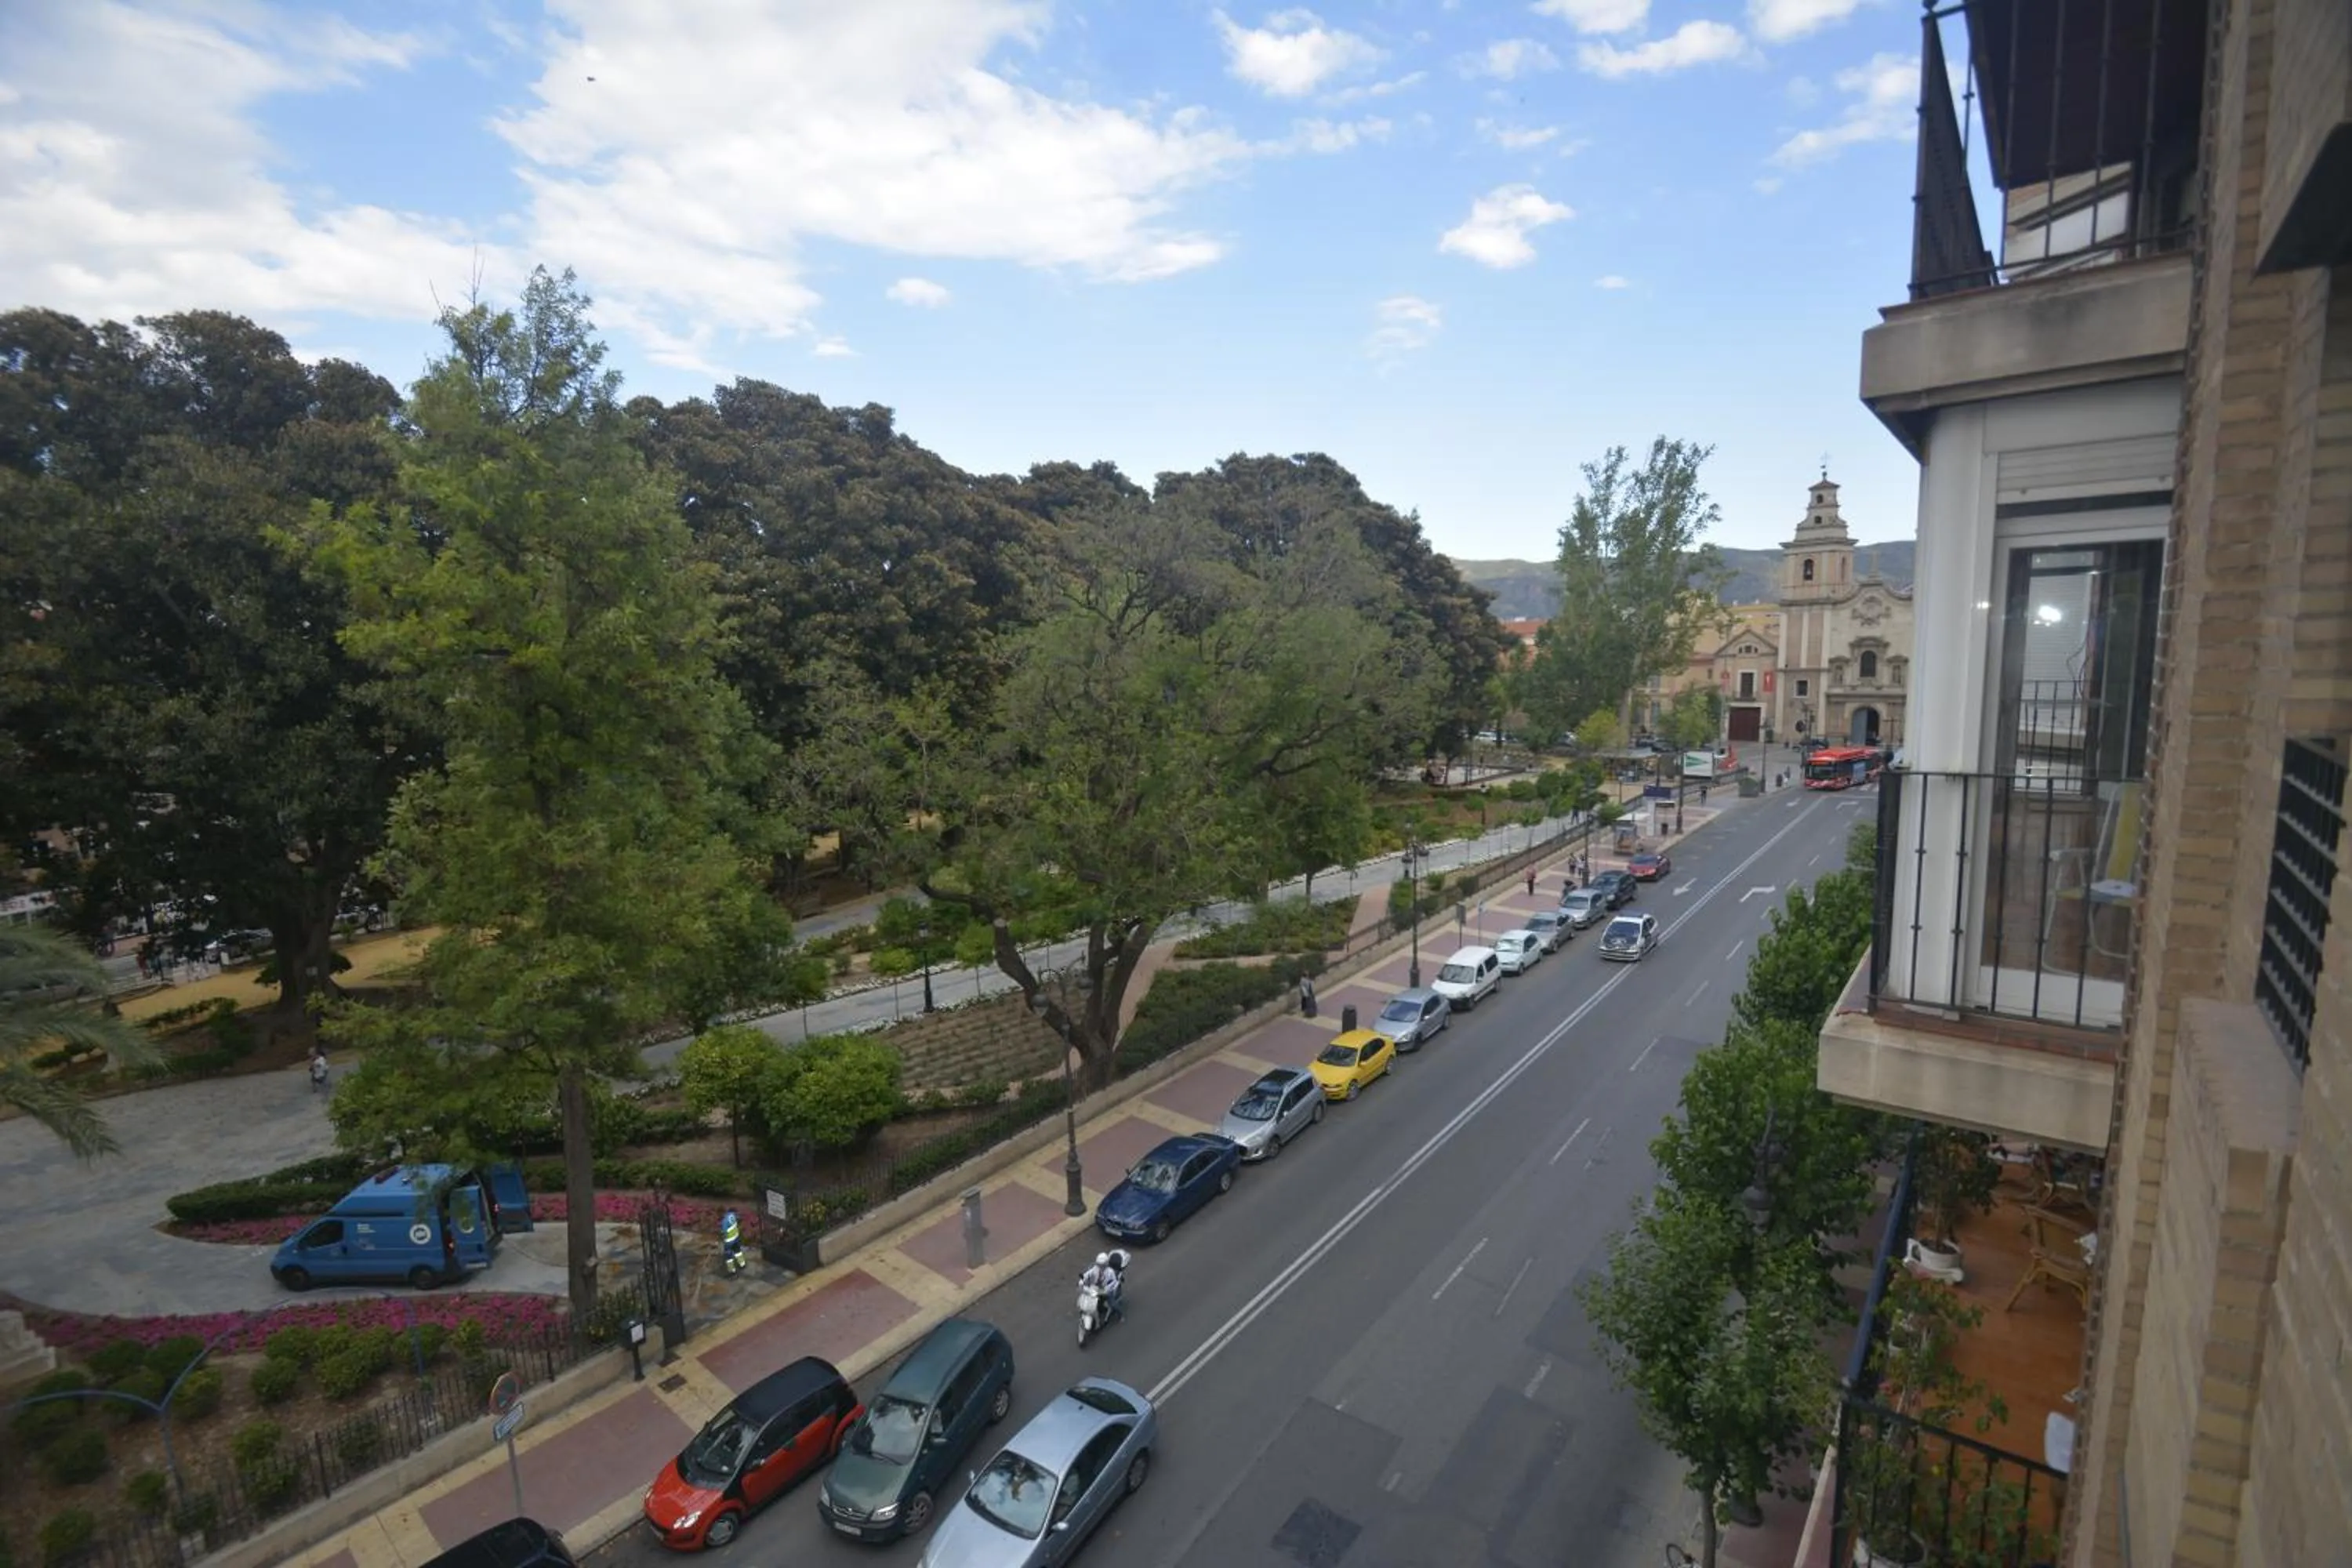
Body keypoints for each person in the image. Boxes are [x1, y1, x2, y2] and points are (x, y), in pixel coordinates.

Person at [1080, 1250, 1126, 1320]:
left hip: (1106, 1291)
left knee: (1112, 1304)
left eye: (1102, 1265)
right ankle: (1101, 1309)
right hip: (1096, 1288)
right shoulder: (1095, 1269)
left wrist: (1107, 1289)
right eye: (1099, 1264)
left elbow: (1113, 1282)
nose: (1100, 1266)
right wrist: (1083, 1280)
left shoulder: (1110, 1272)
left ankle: (1120, 1315)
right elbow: (1088, 1274)